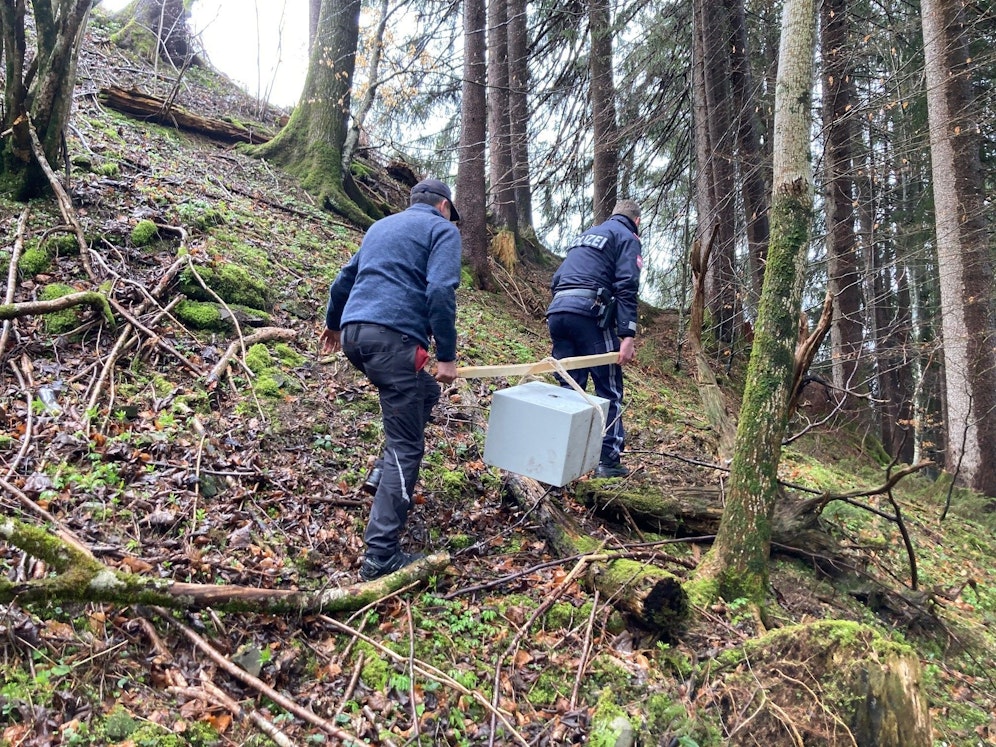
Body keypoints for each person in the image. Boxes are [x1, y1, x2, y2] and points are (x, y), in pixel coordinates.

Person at [320, 178, 462, 580]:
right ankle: (380, 555)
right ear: (444, 207)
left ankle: (382, 475)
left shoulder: (381, 227)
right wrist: (447, 356)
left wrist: (333, 323)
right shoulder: (442, 230)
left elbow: (344, 278)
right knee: (407, 446)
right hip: (395, 341)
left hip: (354, 336)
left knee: (425, 391)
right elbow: (439, 291)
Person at [546, 199, 642, 478]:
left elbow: (557, 278)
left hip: (558, 312)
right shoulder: (627, 237)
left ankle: (558, 460)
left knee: (570, 388)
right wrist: (627, 334)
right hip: (590, 314)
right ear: (636, 221)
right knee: (608, 387)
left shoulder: (586, 236)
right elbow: (627, 285)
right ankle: (607, 461)